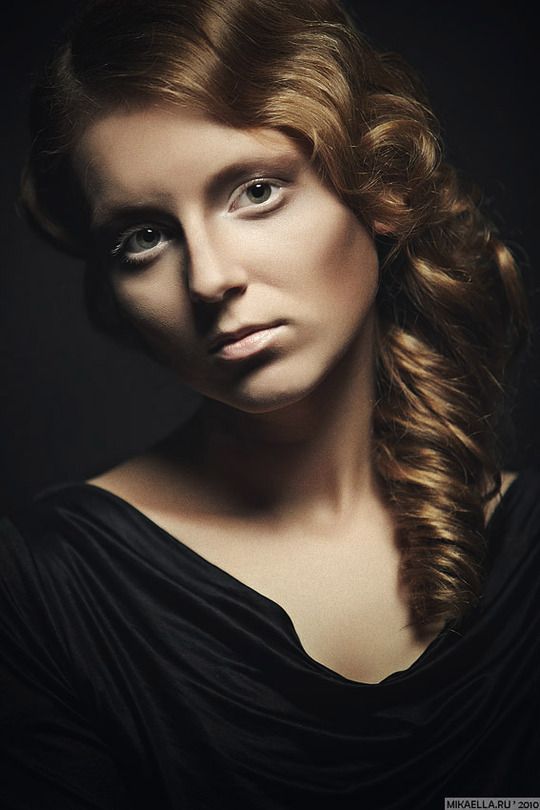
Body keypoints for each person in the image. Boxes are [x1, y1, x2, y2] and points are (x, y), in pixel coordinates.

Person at [1, 0, 538, 807]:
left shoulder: (527, 545)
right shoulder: (45, 586)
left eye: (255, 191)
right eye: (143, 236)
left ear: (378, 188)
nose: (209, 278)